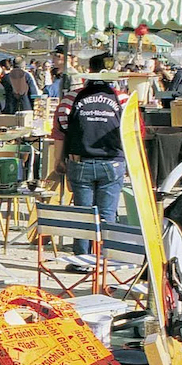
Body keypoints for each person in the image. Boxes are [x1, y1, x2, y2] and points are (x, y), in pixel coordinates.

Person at [54, 54, 128, 256]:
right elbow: (134, 132)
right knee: (107, 215)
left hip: (80, 161)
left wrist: (57, 160)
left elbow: (60, 130)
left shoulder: (71, 97)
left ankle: (82, 259)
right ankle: (105, 258)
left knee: (83, 215)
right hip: (112, 162)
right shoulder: (122, 99)